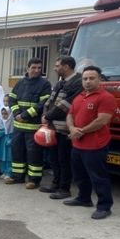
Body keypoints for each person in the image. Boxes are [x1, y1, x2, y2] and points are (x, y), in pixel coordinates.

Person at [65, 66, 117, 220]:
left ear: (99, 79)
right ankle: (83, 198)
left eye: (91, 78)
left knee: (98, 177)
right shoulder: (79, 97)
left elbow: (102, 120)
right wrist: (72, 128)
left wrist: (79, 131)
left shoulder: (106, 97)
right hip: (77, 144)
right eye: (85, 78)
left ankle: (104, 206)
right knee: (79, 175)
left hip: (95, 145)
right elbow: (70, 115)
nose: (87, 81)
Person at [38, 56, 84, 199]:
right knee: (54, 159)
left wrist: (48, 116)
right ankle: (55, 184)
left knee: (64, 160)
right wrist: (45, 116)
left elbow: (66, 105)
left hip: (65, 128)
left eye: (57, 66)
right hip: (53, 127)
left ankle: (64, 189)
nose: (55, 68)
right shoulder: (60, 83)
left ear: (67, 66)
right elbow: (50, 101)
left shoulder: (78, 82)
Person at [6, 57, 52, 189]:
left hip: (33, 127)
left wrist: (25, 115)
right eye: (34, 67)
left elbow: (42, 104)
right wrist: (16, 114)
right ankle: (17, 177)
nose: (36, 70)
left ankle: (34, 180)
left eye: (39, 68)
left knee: (34, 154)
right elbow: (12, 100)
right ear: (27, 68)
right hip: (18, 127)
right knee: (17, 151)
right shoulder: (20, 83)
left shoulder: (45, 84)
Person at [0, 106, 13, 181]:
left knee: (9, 158)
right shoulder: (1, 121)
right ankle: (4, 171)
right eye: (2, 114)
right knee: (3, 157)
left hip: (9, 143)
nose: (4, 116)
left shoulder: (12, 123)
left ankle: (9, 173)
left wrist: (11, 140)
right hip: (2, 141)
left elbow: (15, 134)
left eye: (6, 114)